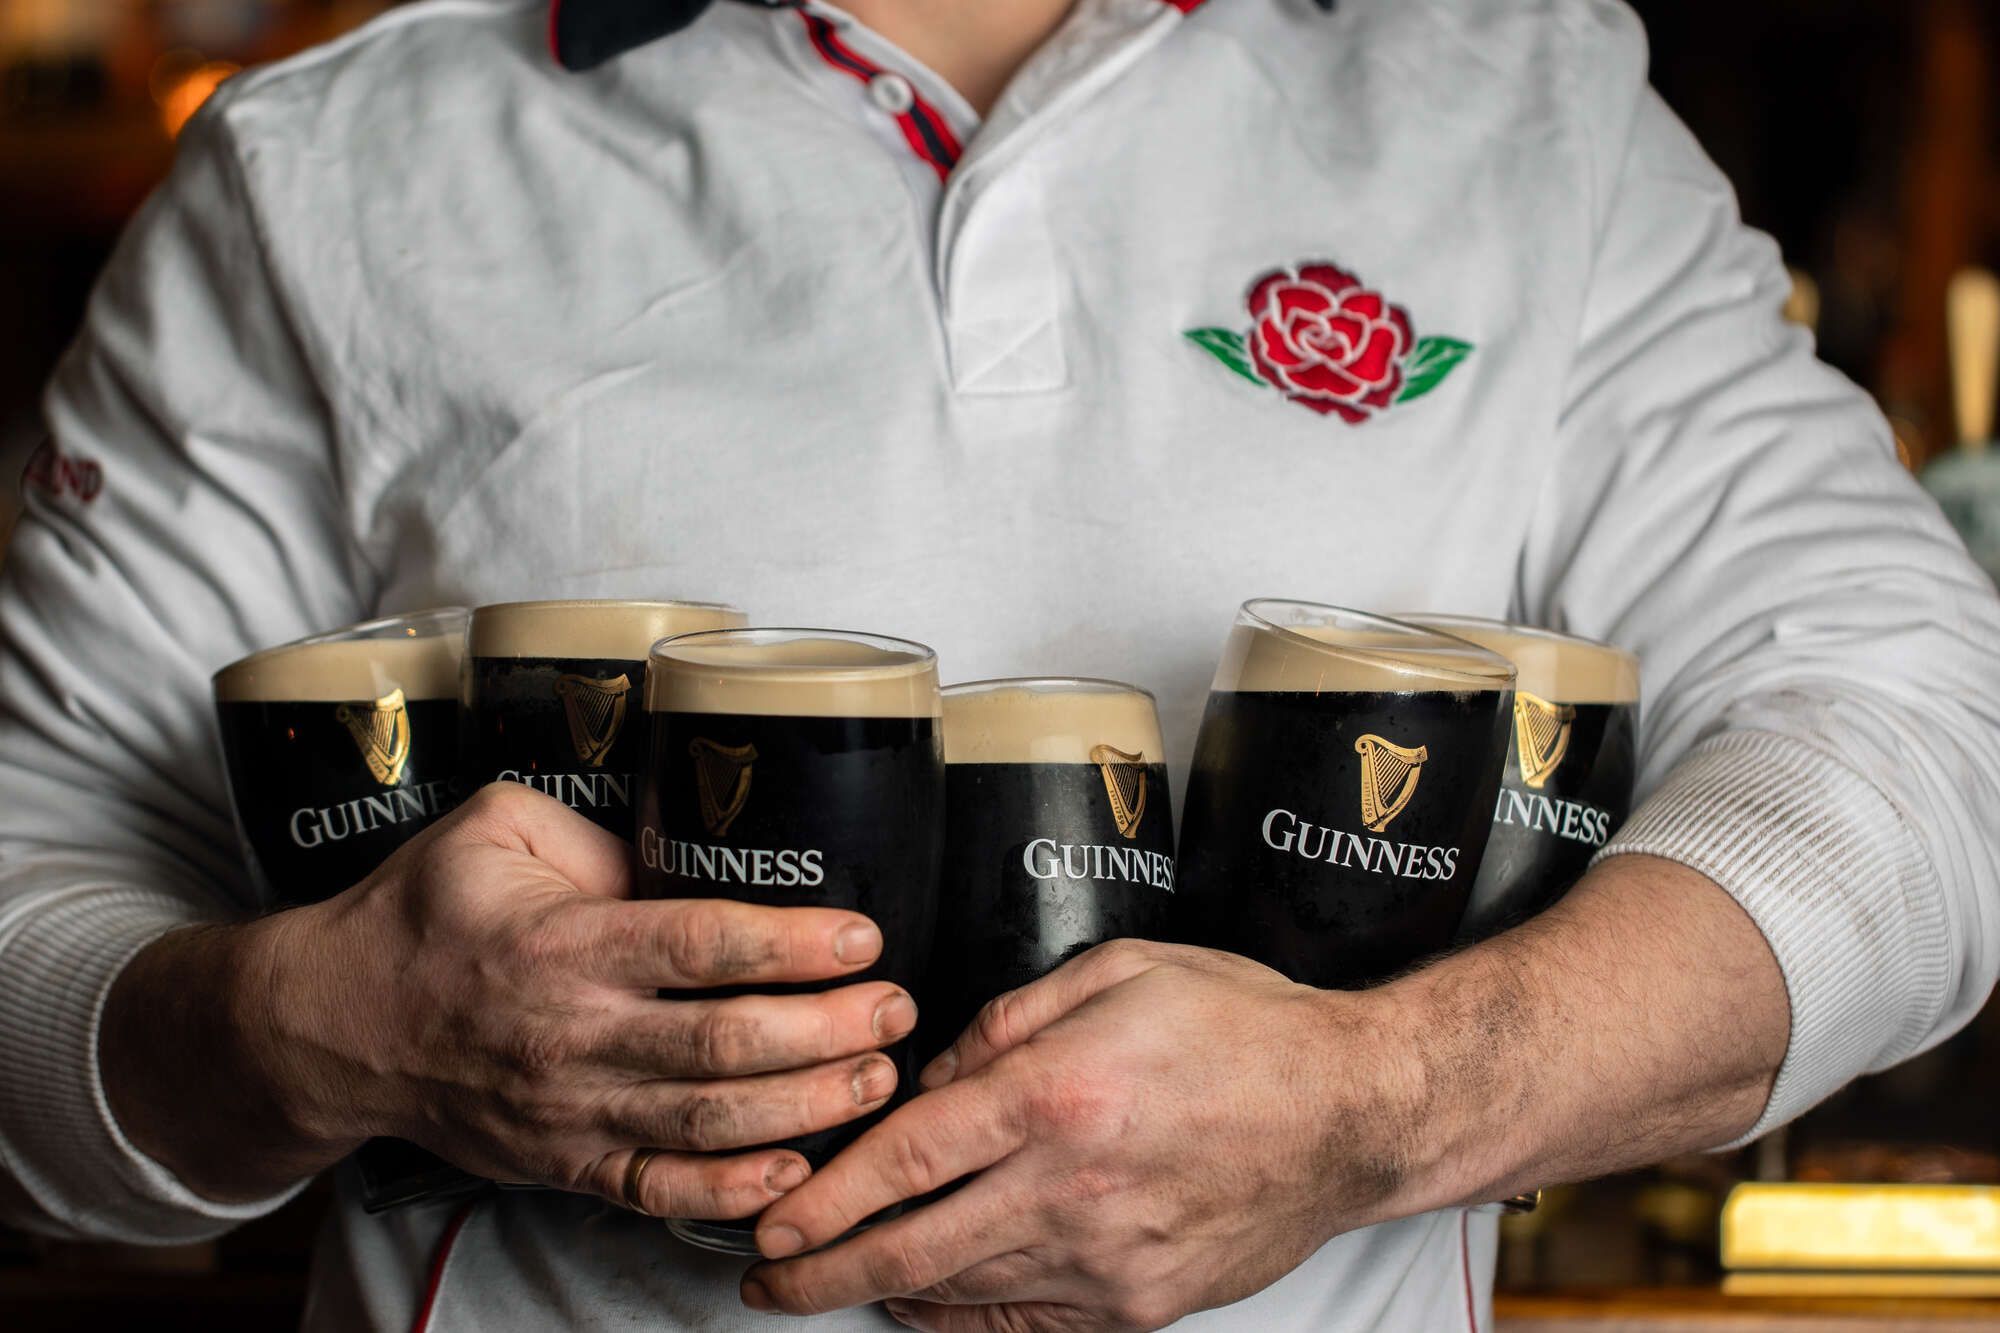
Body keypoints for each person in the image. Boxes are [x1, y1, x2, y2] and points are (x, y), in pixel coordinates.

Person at [2, 0, 1997, 1328]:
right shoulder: (329, 162)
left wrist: (1381, 1099)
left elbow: (1926, 748)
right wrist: (307, 1025)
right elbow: (29, 902)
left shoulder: (1523, 101)